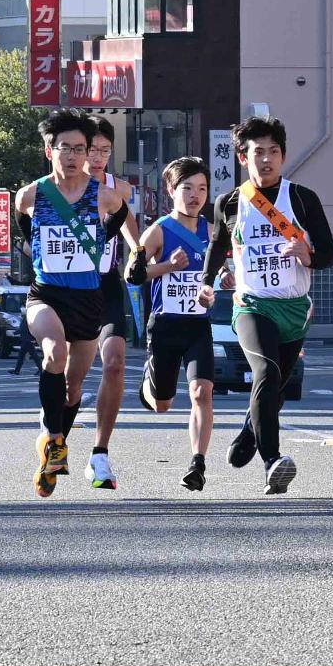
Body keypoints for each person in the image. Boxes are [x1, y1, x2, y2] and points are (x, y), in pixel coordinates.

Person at [202, 114, 333, 493]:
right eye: (258, 152)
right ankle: (272, 462)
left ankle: (249, 429)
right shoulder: (229, 203)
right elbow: (217, 247)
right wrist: (207, 283)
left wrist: (306, 254)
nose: (267, 159)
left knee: (276, 387)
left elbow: (329, 254)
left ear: (283, 156)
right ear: (243, 158)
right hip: (252, 306)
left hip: (295, 308)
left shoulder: (302, 199)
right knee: (268, 373)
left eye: (273, 152)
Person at [15, 111, 133, 496]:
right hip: (46, 293)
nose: (72, 155)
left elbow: (120, 217)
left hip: (89, 297)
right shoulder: (31, 194)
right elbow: (24, 227)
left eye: (79, 149)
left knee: (73, 387)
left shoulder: (104, 196)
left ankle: (53, 451)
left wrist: (98, 243)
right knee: (53, 355)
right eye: (64, 147)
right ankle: (53, 437)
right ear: (49, 150)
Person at [129, 156, 216, 491]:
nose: (195, 196)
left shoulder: (212, 232)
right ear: (171, 190)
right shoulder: (160, 230)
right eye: (187, 188)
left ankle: (198, 462)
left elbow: (223, 275)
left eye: (202, 189)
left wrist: (218, 286)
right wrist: (165, 266)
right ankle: (149, 386)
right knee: (162, 405)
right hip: (165, 326)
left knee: (201, 391)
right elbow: (132, 274)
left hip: (198, 326)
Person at [84, 118, 145, 490]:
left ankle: (100, 453)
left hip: (105, 283)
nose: (97, 158)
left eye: (105, 151)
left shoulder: (118, 188)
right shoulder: (55, 191)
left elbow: (132, 233)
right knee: (64, 370)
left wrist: (140, 256)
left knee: (116, 363)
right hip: (65, 286)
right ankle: (53, 424)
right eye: (92, 150)